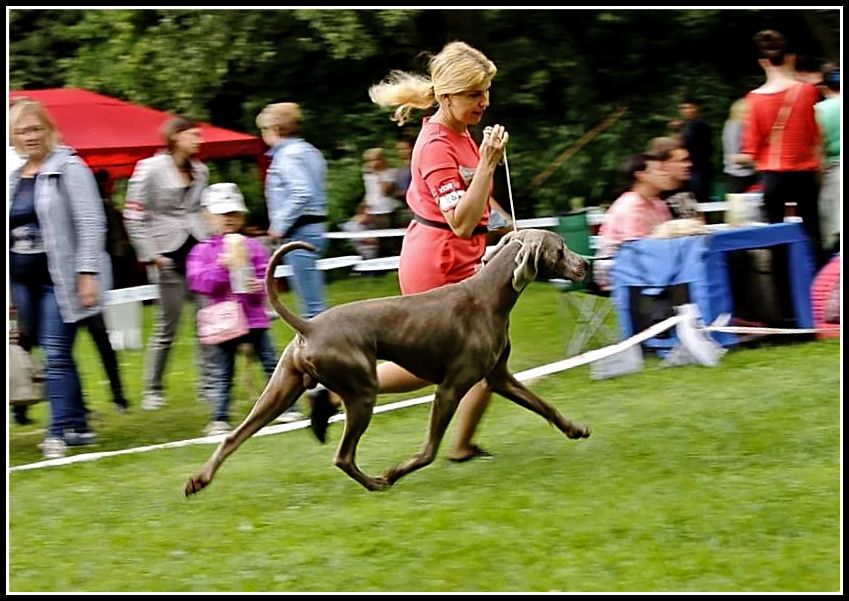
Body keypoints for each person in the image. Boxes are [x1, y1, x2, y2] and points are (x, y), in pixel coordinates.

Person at [311, 40, 509, 462]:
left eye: (486, 91)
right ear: (447, 95)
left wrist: (499, 218)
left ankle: (456, 445)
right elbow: (457, 218)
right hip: (438, 262)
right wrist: (490, 165)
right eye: (475, 93)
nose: (484, 102)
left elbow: (473, 193)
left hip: (460, 255)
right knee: (470, 362)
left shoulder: (459, 134)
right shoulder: (436, 145)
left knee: (471, 362)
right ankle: (455, 446)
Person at [9, 98, 110, 458]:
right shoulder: (12, 177)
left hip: (59, 279)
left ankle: (56, 433)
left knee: (55, 352)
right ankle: (79, 422)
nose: (30, 136)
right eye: (22, 131)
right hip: (22, 281)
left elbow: (91, 223)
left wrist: (87, 273)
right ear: (13, 137)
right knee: (48, 350)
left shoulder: (69, 167)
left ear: (48, 129)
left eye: (35, 128)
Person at [123, 116, 217, 410]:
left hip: (198, 254)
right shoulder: (149, 168)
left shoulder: (201, 171)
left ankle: (209, 386)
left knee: (207, 323)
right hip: (166, 257)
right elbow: (133, 215)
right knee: (167, 326)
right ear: (175, 136)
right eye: (193, 135)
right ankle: (153, 388)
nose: (199, 141)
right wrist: (151, 254)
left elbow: (201, 211)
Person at [187, 183, 284, 434]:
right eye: (222, 214)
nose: (228, 219)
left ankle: (287, 407)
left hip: (254, 318)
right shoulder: (202, 251)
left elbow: (267, 279)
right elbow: (200, 283)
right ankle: (219, 417)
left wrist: (258, 286)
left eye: (233, 213)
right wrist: (222, 267)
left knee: (273, 365)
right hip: (223, 323)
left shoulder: (253, 247)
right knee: (223, 372)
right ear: (208, 216)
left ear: (241, 216)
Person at [738, 29, 823, 262]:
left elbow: (751, 147)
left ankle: (784, 295)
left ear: (762, 62)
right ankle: (821, 293)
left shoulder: (753, 99)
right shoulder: (807, 92)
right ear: (790, 58)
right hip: (805, 175)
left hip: (773, 177)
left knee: (776, 240)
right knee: (812, 235)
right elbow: (814, 136)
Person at [256, 102, 328, 322]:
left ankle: (324, 351)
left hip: (299, 232)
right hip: (315, 227)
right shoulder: (310, 151)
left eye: (264, 130)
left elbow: (301, 192)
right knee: (312, 298)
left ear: (275, 129)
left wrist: (278, 225)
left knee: (311, 309)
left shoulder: (287, 156)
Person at [594, 153, 675, 291]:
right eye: (660, 169)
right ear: (641, 175)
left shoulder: (658, 204)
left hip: (646, 263)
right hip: (616, 268)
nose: (665, 173)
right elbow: (637, 247)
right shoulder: (630, 205)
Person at [646, 136, 702, 220]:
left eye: (688, 160)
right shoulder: (652, 195)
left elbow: (698, 222)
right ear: (662, 164)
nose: (689, 165)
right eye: (682, 161)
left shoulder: (686, 187)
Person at [815, 67, 840, 254]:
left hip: (833, 175)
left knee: (834, 234)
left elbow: (818, 148)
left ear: (824, 88)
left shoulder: (818, 110)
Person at [678, 96, 714, 203]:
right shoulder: (689, 125)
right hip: (694, 168)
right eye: (683, 108)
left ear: (696, 108)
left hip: (698, 168)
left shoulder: (699, 124)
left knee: (698, 199)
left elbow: (690, 144)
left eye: (689, 107)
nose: (686, 111)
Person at [721, 98, 760, 194]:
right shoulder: (735, 127)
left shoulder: (735, 126)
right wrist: (759, 163)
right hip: (739, 176)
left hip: (745, 174)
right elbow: (735, 157)